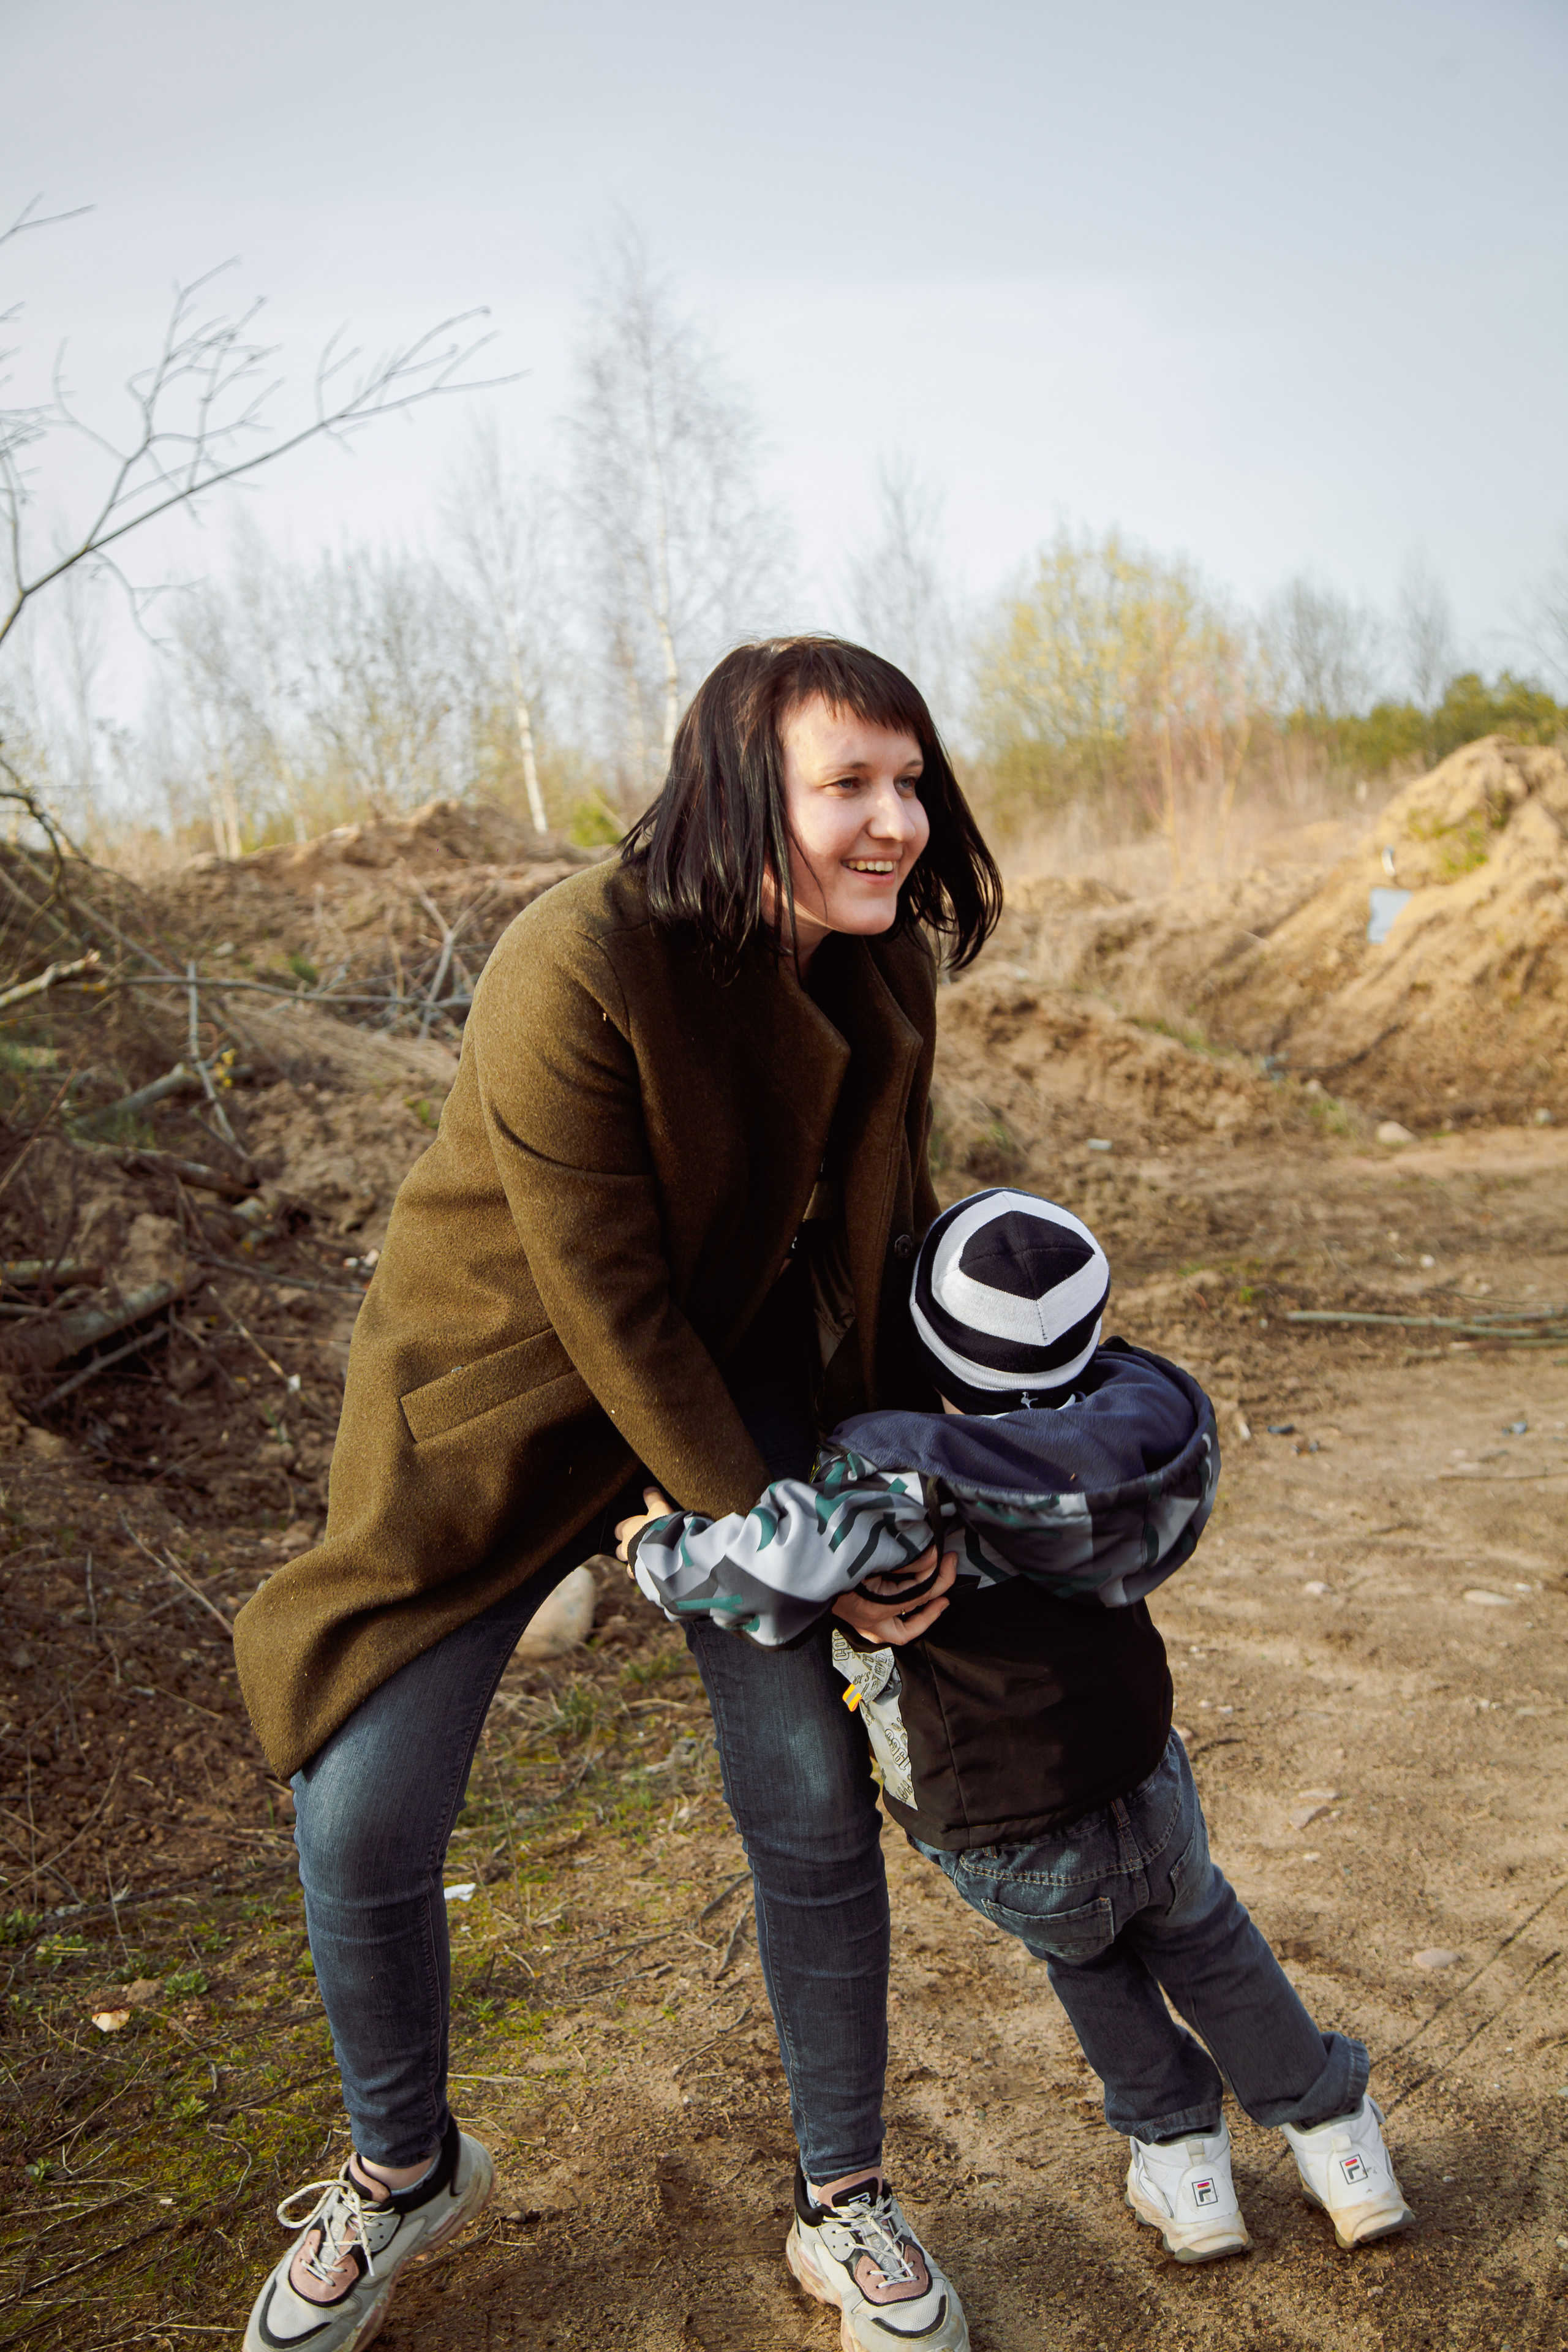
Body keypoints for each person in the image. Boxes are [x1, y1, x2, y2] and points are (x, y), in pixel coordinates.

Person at [232, 637, 1001, 2352]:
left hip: (738, 1394)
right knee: (359, 1814)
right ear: (746, 793)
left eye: (911, 780)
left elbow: (877, 1239)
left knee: (806, 1787)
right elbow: (606, 1302)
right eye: (849, 787)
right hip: (504, 1400)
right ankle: (403, 2165)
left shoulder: (884, 970)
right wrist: (784, 1539)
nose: (897, 822)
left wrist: (892, 1494)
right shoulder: (573, 958)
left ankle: (846, 2189)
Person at [620, 1188, 1415, 2269]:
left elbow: (763, 1567)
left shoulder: (904, 1483)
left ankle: (1187, 2171)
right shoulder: (1150, 1436)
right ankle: (1340, 2145)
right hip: (1141, 1768)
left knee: (1094, 1966)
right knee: (1205, 1932)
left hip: (1001, 1819)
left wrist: (646, 1547)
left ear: (928, 1346)